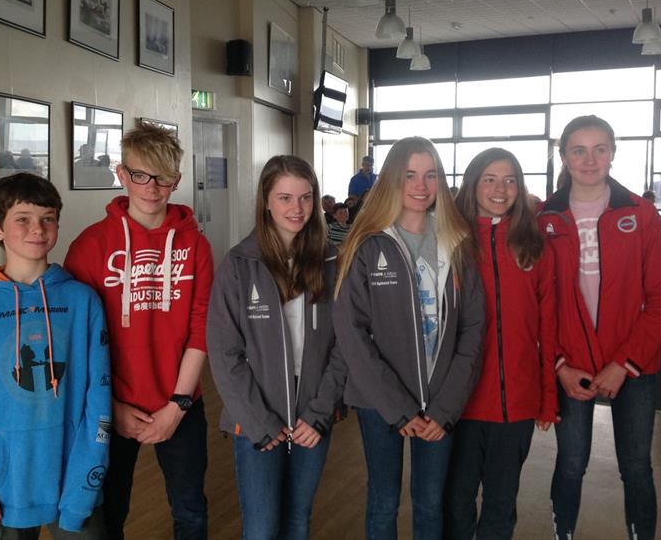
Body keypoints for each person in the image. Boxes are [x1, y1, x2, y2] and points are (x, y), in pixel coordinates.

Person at [64, 122, 214, 540]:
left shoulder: (196, 246)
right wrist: (110, 405)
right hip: (110, 406)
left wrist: (178, 404)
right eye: (140, 175)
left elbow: (201, 327)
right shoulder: (90, 245)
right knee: (111, 512)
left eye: (163, 177)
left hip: (179, 403)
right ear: (121, 174)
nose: (151, 187)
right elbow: (77, 338)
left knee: (191, 512)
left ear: (176, 180)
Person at [334, 136, 485, 540]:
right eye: (410, 175)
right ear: (391, 181)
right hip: (379, 402)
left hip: (439, 405)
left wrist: (445, 408)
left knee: (429, 504)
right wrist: (397, 407)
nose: (420, 186)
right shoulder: (366, 244)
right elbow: (352, 333)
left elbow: (472, 331)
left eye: (430, 175)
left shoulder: (457, 243)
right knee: (383, 503)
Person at [537, 115, 661, 540]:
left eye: (600, 148)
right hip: (572, 366)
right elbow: (538, 303)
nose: (589, 159)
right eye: (578, 149)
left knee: (636, 466)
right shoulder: (545, 219)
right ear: (563, 156)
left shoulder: (641, 213)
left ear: (613, 153)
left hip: (632, 365)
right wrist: (559, 365)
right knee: (571, 463)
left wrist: (624, 363)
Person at [0, 173, 110, 539]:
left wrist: (88, 475)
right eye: (22, 218)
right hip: (6, 488)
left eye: (47, 218)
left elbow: (97, 400)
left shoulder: (82, 301)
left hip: (75, 479)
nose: (38, 229)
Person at [207, 155, 346, 539]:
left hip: (311, 411)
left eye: (305, 198)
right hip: (256, 412)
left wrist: (320, 412)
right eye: (285, 197)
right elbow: (224, 353)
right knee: (262, 528)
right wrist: (258, 422)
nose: (296, 209)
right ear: (266, 201)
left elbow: (345, 346)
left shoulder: (332, 261)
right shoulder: (239, 264)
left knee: (298, 519)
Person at [445, 148, 558, 540]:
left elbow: (548, 327)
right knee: (456, 503)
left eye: (510, 180)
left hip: (516, 404)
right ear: (473, 184)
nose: (500, 188)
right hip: (459, 402)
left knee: (500, 504)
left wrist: (548, 396)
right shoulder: (450, 242)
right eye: (489, 179)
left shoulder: (534, 245)